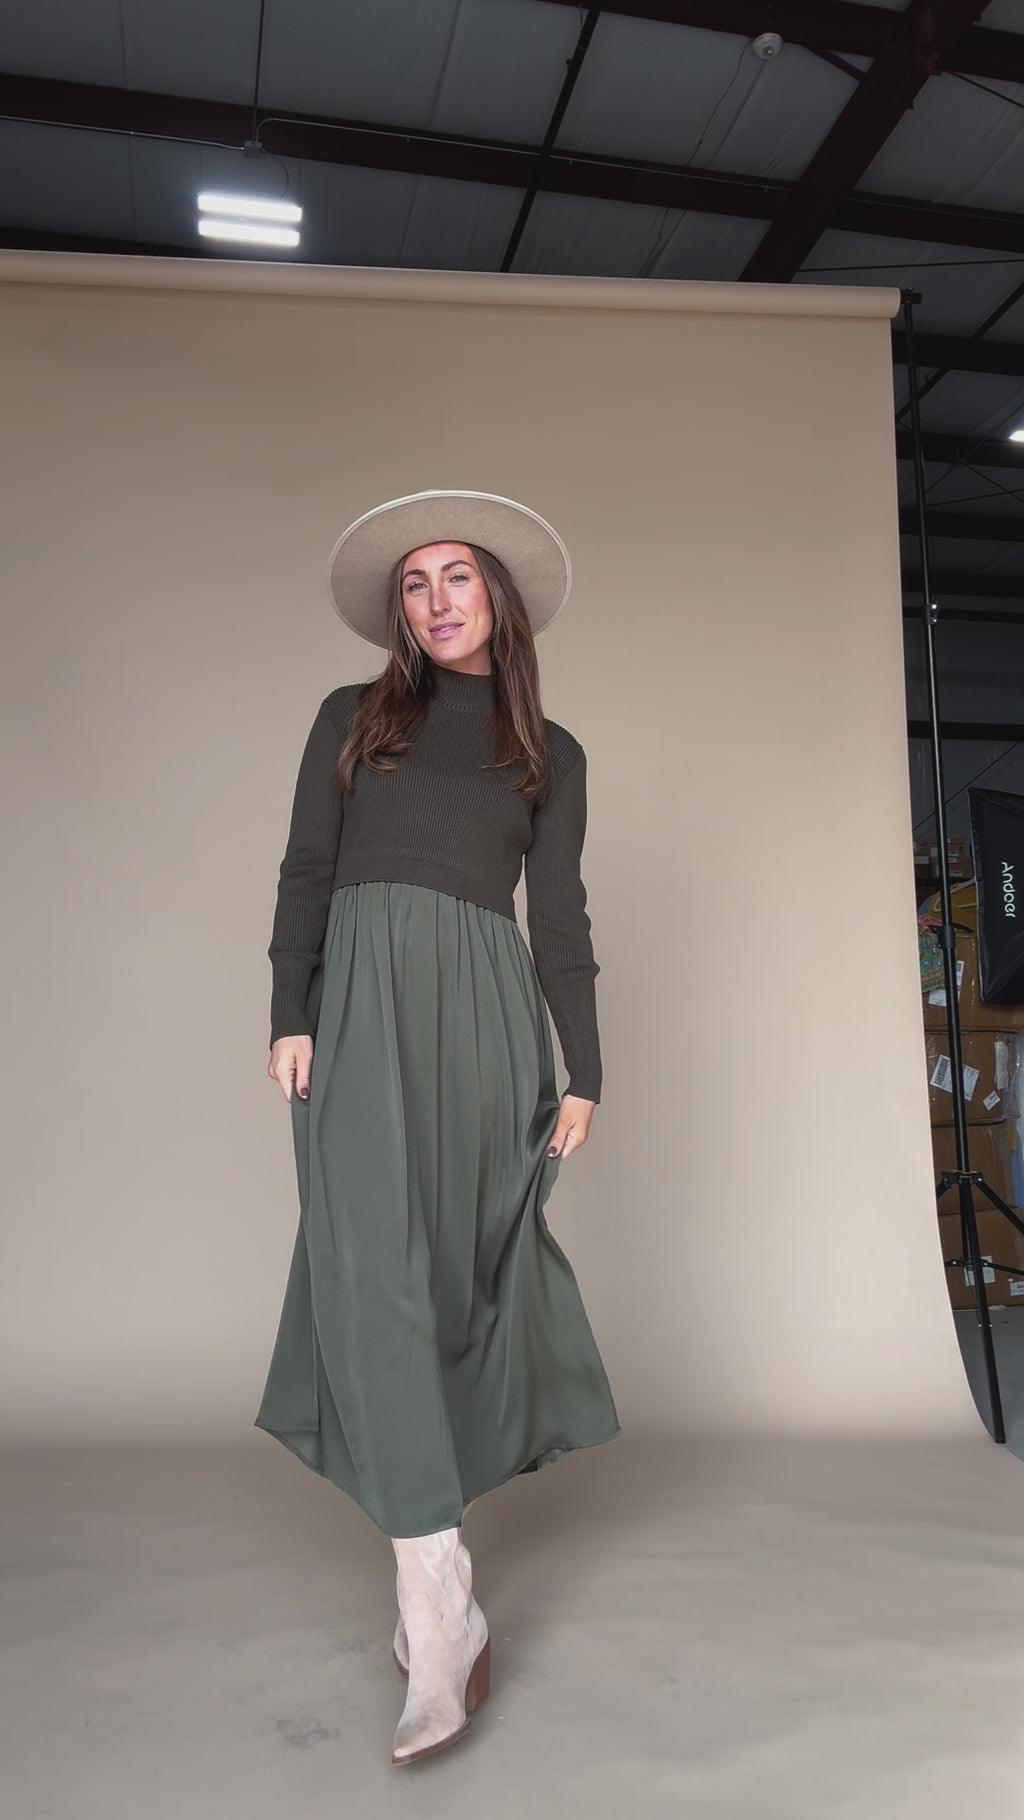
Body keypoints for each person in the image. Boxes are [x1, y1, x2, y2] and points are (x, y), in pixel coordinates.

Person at [254, 489, 621, 1766]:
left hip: (484, 1019)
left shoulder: (549, 753)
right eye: (414, 583)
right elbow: (306, 868)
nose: (436, 599)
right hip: (357, 1007)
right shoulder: (348, 718)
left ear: (496, 597)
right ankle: (436, 1598)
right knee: (377, 1283)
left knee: (461, 1278)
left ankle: (439, 1599)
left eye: (456, 574)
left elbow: (558, 918)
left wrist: (584, 1070)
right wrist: (290, 1007)